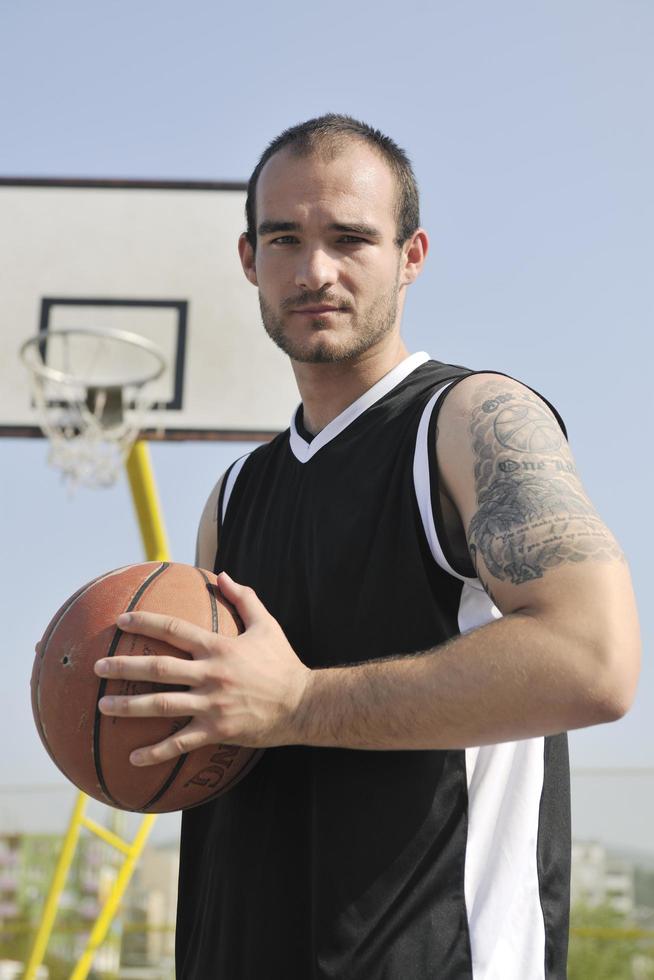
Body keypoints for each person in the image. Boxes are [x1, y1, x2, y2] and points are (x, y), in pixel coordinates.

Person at [95, 115, 641, 979]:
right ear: (250, 259)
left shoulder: (469, 421)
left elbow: (595, 660)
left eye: (351, 238)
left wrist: (302, 703)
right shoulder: (233, 497)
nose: (315, 271)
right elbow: (226, 736)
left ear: (411, 255)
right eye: (285, 239)